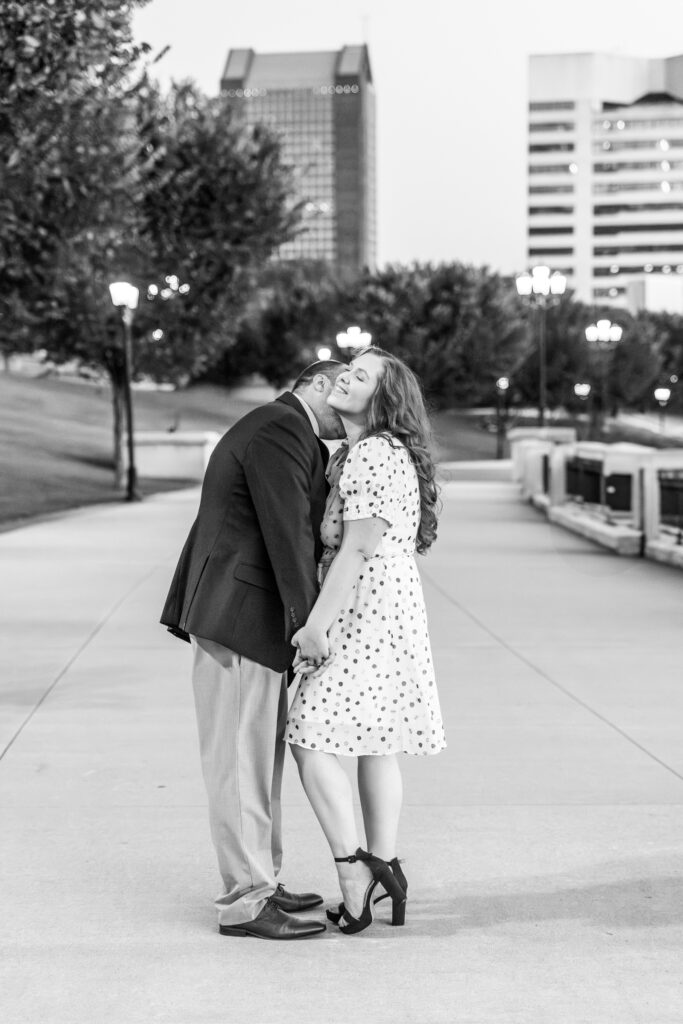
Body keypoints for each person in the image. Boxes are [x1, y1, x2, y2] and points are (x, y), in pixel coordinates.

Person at [160, 360, 346, 940]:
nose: (353, 416)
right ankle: (246, 900)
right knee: (241, 762)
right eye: (344, 398)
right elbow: (287, 533)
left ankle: (264, 878)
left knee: (257, 760)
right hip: (241, 618)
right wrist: (311, 625)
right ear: (317, 385)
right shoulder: (279, 429)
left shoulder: (283, 429)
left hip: (245, 617)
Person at [286, 346, 446, 935]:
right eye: (347, 370)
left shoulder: (374, 453)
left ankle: (354, 868)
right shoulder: (364, 452)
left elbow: (354, 550)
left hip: (366, 607)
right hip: (386, 604)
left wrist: (316, 627)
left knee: (307, 733)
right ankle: (386, 864)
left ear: (383, 400)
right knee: (378, 741)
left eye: (360, 377)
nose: (345, 378)